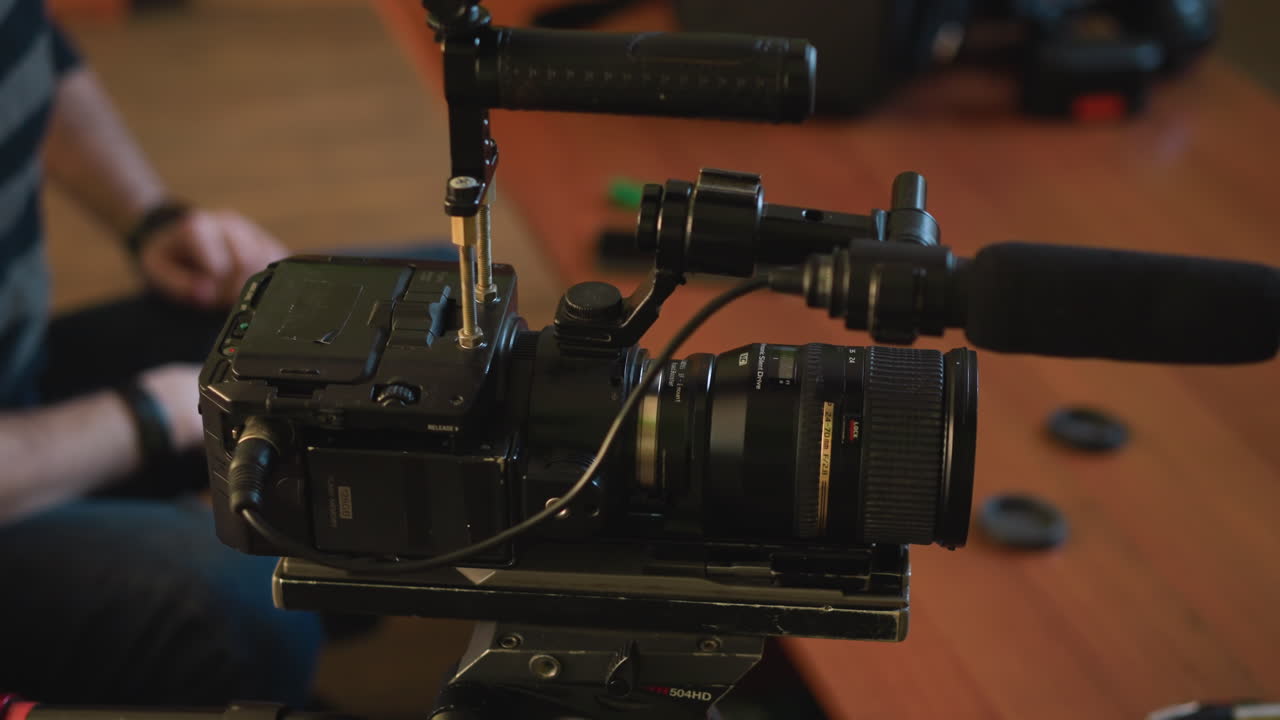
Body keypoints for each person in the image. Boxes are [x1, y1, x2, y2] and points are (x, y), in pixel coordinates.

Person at [0, 0, 324, 706]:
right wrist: (154, 412)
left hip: (17, 368)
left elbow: (26, 48)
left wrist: (149, 219)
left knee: (370, 325)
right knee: (243, 610)